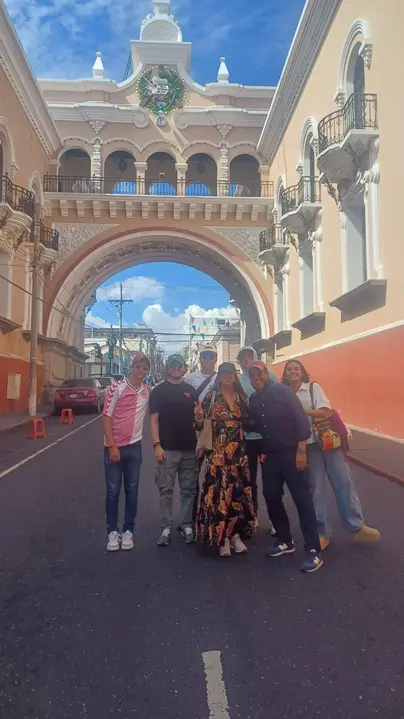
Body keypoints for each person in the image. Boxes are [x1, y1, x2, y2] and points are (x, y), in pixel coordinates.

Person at [282, 359, 381, 550]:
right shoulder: (284, 394)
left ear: (302, 372)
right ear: (285, 374)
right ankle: (321, 532)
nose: (293, 371)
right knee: (316, 489)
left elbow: (325, 411)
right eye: (289, 369)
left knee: (344, 482)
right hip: (308, 446)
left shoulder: (313, 388)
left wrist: (301, 412)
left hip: (328, 442)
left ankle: (356, 526)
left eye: (297, 369)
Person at [248, 361, 323, 573]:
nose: (256, 378)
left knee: (302, 499)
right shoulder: (254, 399)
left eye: (259, 373)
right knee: (271, 495)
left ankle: (313, 549)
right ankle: (285, 539)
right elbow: (253, 423)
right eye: (252, 375)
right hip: (270, 455)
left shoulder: (282, 392)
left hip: (291, 453)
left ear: (266, 373)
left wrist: (301, 451)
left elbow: (301, 421)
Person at [195, 362, 257, 558]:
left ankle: (236, 535)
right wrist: (198, 418)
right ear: (219, 376)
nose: (227, 377)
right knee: (220, 497)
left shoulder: (241, 398)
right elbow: (200, 424)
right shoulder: (211, 397)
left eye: (230, 373)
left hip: (238, 456)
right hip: (218, 456)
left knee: (237, 496)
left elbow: (250, 422)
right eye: (223, 374)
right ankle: (222, 539)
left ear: (235, 376)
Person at [102, 354, 151, 552]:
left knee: (132, 490)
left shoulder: (147, 390)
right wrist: (112, 446)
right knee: (113, 491)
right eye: (138, 367)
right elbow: (106, 417)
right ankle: (112, 532)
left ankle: (128, 530)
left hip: (134, 447)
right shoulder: (117, 387)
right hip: (114, 447)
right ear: (132, 367)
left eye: (145, 368)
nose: (141, 370)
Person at [150, 354, 199, 547]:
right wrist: (156, 444)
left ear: (185, 368)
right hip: (167, 449)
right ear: (167, 368)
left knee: (188, 490)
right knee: (166, 490)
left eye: (179, 365)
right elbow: (153, 420)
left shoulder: (190, 391)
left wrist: (200, 420)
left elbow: (198, 419)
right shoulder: (159, 391)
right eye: (173, 365)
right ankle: (166, 526)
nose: (176, 368)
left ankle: (186, 524)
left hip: (189, 448)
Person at [237, 346, 278, 516]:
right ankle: (252, 516)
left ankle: (275, 518)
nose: (246, 360)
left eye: (249, 356)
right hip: (248, 438)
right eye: (243, 358)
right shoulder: (238, 380)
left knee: (271, 480)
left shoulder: (270, 375)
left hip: (267, 438)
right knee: (249, 479)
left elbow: (278, 398)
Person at [186, 345, 218, 521]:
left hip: (216, 431)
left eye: (211, 356)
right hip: (196, 430)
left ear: (216, 359)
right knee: (193, 475)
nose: (207, 359)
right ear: (199, 359)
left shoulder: (220, 378)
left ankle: (211, 514)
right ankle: (192, 518)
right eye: (204, 356)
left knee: (214, 474)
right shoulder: (191, 378)